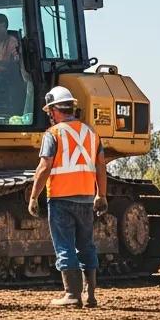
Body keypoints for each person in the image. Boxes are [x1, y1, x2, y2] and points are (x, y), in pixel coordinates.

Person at [28, 86, 108, 307]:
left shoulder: (53, 134)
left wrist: (34, 196)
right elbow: (101, 166)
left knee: (64, 246)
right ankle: (90, 295)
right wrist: (101, 195)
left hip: (61, 198)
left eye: (49, 112)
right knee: (86, 245)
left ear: (54, 110)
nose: (50, 116)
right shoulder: (91, 133)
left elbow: (44, 167)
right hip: (86, 197)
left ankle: (72, 295)